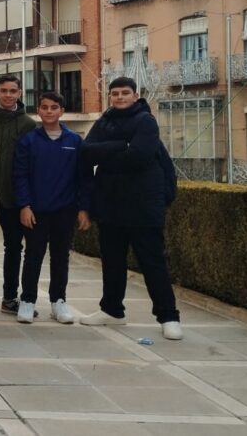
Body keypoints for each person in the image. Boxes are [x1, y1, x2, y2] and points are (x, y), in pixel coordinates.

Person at [78, 77, 183, 340]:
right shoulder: (105, 120)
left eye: (125, 93)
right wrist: (120, 146)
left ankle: (168, 316)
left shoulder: (145, 121)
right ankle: (112, 310)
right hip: (111, 207)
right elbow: (87, 151)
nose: (120, 97)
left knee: (153, 263)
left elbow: (140, 156)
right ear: (110, 97)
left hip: (143, 207)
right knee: (112, 263)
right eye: (115, 93)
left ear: (135, 95)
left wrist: (109, 154)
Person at [12, 91, 84, 324]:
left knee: (60, 256)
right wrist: (24, 205)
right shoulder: (29, 141)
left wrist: (84, 209)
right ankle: (28, 301)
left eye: (54, 107)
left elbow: (83, 178)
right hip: (36, 210)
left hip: (65, 210)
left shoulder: (74, 141)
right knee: (33, 255)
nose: (49, 111)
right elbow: (20, 176)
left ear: (62, 111)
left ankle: (58, 302)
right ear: (38, 111)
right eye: (45, 107)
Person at [0, 74, 37, 315]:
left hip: (14, 197)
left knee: (13, 248)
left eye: (13, 91)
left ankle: (9, 298)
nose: (8, 95)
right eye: (4, 90)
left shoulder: (28, 124)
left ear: (20, 93)